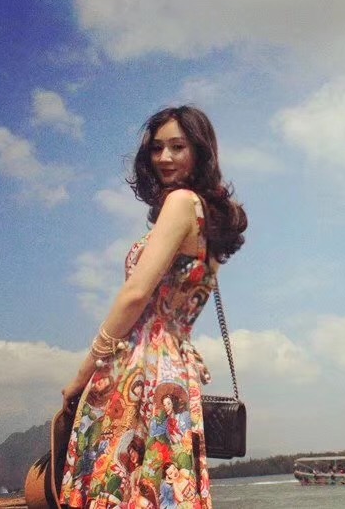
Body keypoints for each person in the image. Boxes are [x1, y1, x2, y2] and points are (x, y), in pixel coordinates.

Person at [59, 106, 247, 508]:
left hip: (139, 368)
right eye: (157, 148)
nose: (164, 157)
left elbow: (135, 295)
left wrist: (83, 372)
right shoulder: (209, 220)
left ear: (201, 152)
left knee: (117, 484)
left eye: (177, 147)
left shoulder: (180, 202)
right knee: (159, 490)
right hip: (175, 372)